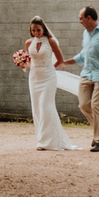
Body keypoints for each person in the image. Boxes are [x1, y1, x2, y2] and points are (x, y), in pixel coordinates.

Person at [59, 6, 99, 152]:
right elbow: (83, 55)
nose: (79, 21)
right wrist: (65, 62)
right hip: (86, 74)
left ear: (88, 18)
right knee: (83, 105)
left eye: (81, 18)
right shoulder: (86, 34)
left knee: (96, 106)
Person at [23, 17, 76, 151]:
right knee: (37, 108)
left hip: (48, 77)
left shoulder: (51, 41)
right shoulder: (29, 43)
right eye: (33, 30)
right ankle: (42, 139)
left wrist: (49, 67)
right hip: (34, 78)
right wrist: (22, 64)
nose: (36, 33)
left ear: (43, 29)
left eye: (39, 30)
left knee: (45, 106)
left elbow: (60, 60)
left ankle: (46, 142)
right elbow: (28, 62)